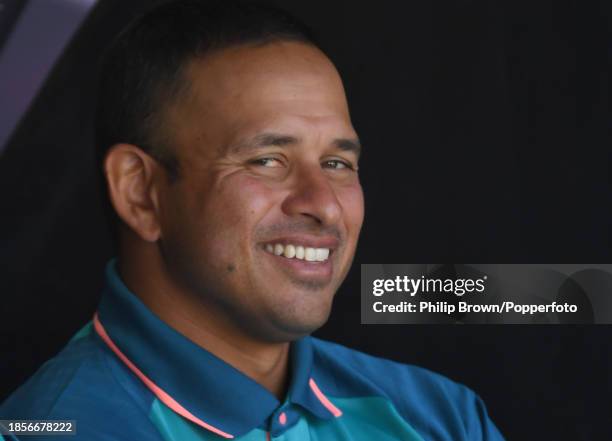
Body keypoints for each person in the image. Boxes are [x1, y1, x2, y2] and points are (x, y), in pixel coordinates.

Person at [0, 1, 504, 439]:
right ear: (141, 193)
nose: (324, 204)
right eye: (267, 160)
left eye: (337, 164)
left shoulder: (442, 418)